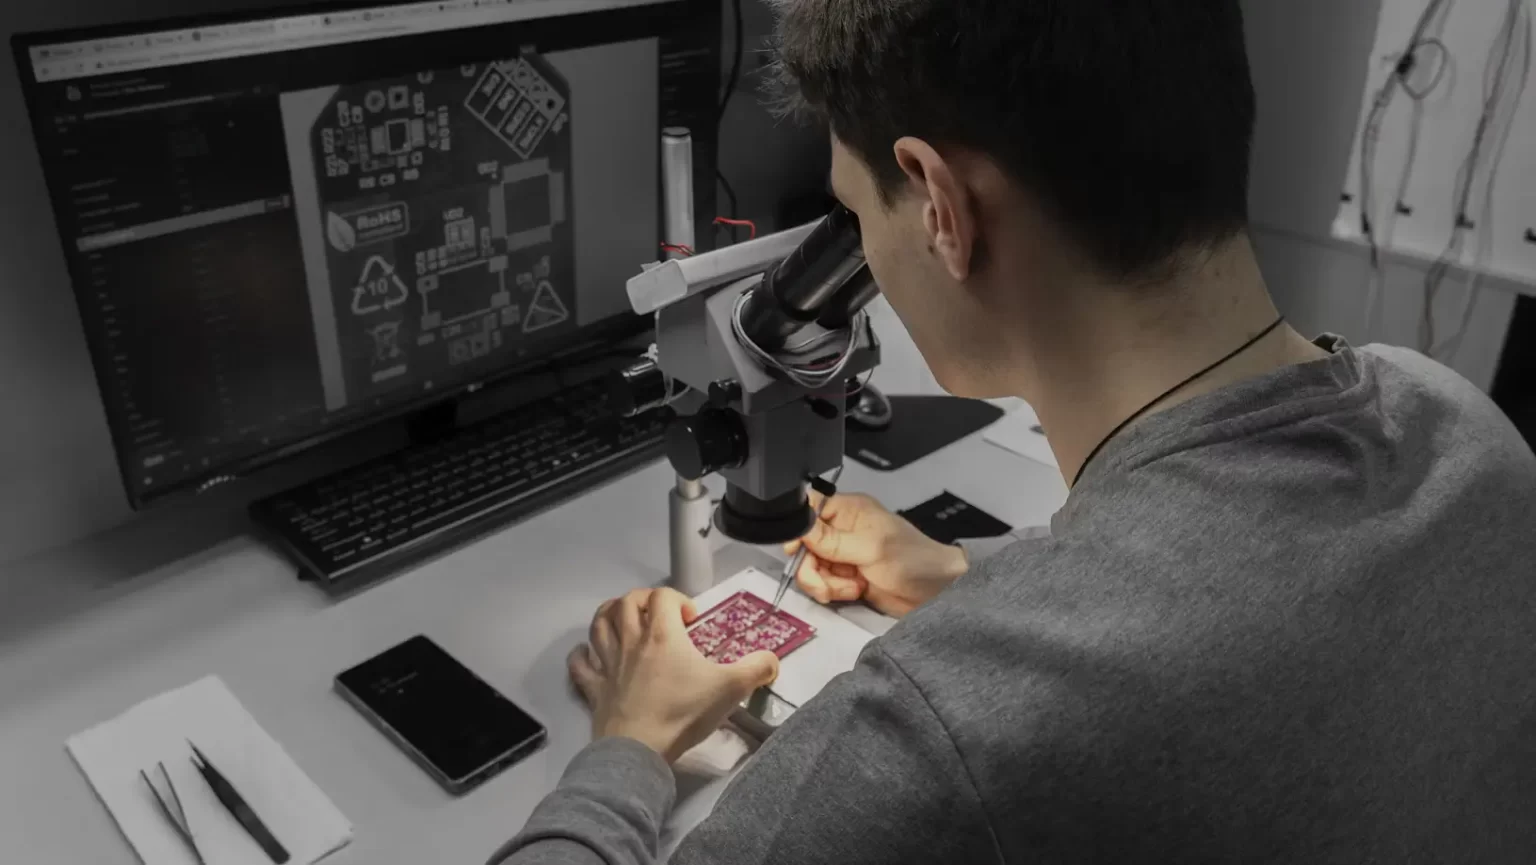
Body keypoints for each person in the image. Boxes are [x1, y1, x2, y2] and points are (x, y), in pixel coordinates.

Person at [491, 1, 1536, 862]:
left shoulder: (956, 726)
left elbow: (1079, 693)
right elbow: (1248, 602)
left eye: (858, 215)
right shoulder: (1467, 430)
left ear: (940, 205)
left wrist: (627, 745)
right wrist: (979, 581)